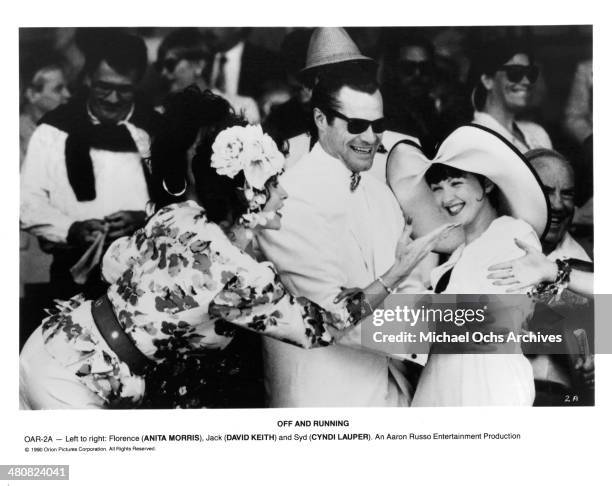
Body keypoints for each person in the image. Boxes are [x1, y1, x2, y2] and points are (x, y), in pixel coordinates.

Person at [19, 89, 452, 410]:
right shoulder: (239, 261)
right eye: (273, 183)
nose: (285, 193)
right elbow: (324, 325)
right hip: (80, 378)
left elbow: (117, 264)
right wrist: (401, 275)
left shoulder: (182, 215)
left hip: (53, 341)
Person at [255, 43, 448, 406]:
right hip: (319, 406)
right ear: (320, 120)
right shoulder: (288, 201)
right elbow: (337, 319)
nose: (371, 138)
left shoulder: (380, 195)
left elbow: (412, 286)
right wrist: (487, 325)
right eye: (356, 125)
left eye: (378, 125)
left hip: (388, 398)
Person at [387, 124, 550, 406]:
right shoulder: (457, 257)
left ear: (486, 184)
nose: (446, 198)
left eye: (456, 183)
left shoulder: (512, 235)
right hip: (445, 391)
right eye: (437, 188)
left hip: (488, 393)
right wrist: (397, 275)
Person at [20, 31, 163, 301]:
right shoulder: (53, 131)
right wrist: (72, 229)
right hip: (71, 275)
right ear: (88, 78)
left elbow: (183, 203)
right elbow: (26, 203)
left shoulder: (157, 130)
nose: (112, 99)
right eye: (103, 86)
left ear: (138, 82)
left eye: (124, 89)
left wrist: (145, 218)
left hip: (146, 278)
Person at [155, 28, 260, 123]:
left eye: (170, 64)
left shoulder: (242, 109)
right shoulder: (159, 115)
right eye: (159, 66)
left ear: (199, 64)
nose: (163, 73)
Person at [469, 38, 552, 154]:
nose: (526, 81)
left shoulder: (537, 134)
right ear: (488, 80)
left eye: (530, 73)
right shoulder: (472, 139)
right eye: (515, 72)